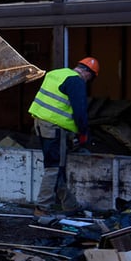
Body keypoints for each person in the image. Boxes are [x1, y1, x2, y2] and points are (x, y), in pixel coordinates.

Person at [28, 57, 99, 210]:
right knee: (53, 167)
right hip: (54, 127)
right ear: (89, 74)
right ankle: (42, 208)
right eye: (91, 79)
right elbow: (80, 111)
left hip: (40, 124)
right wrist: (83, 133)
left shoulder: (57, 73)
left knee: (56, 166)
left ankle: (70, 205)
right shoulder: (76, 81)